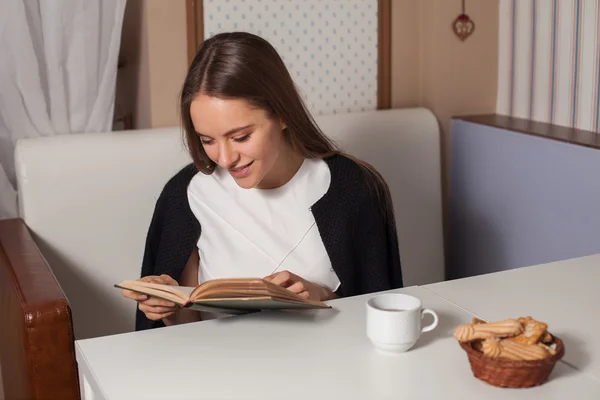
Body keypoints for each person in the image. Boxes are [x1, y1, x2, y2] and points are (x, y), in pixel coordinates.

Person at [122, 32, 403, 331]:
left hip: (326, 367)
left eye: (240, 137)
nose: (226, 158)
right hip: (220, 369)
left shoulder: (353, 188)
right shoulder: (186, 195)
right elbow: (185, 330)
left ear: (283, 114)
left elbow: (383, 317)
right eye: (207, 140)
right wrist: (166, 307)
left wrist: (320, 295)